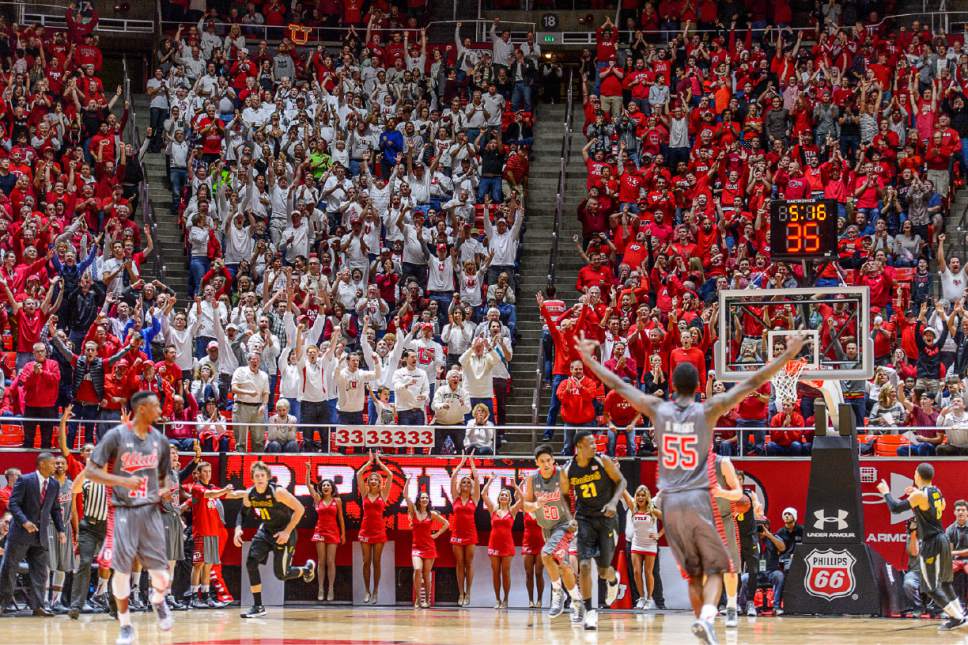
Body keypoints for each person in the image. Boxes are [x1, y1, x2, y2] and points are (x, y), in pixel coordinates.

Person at [575, 330, 805, 642]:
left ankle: (702, 621)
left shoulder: (658, 408)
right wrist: (785, 356)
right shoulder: (706, 410)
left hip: (670, 504)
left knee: (695, 573)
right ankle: (708, 617)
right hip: (698, 500)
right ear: (698, 387)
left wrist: (588, 358)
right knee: (717, 567)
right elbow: (752, 383)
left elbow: (619, 385)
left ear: (672, 386)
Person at [82, 391, 175, 645]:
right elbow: (90, 471)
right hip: (123, 511)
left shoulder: (161, 441)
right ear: (142, 409)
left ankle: (158, 600)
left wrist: (163, 491)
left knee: (161, 575)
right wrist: (122, 480)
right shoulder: (116, 436)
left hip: (150, 511)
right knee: (121, 572)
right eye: (156, 406)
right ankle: (125, 625)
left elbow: (166, 478)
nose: (160, 410)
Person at [879, 463, 968, 630]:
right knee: (945, 582)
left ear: (917, 475)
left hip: (931, 542)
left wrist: (886, 492)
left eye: (914, 474)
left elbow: (896, 508)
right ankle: (960, 616)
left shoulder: (920, 494)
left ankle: (956, 617)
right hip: (942, 539)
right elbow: (942, 506)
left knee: (930, 588)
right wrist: (917, 496)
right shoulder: (936, 491)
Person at [231, 461, 316, 618]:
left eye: (262, 475)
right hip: (265, 531)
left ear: (268, 477)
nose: (260, 478)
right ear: (252, 478)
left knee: (281, 574)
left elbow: (300, 509)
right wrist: (237, 529)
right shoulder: (250, 494)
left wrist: (286, 532)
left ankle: (306, 570)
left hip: (284, 533)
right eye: (257, 476)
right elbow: (242, 513)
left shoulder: (278, 492)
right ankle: (258, 606)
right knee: (251, 562)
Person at [561, 431, 627, 631]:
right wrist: (569, 518)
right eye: (591, 443)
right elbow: (564, 496)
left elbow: (622, 481)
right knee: (585, 566)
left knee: (604, 570)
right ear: (579, 447)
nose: (595, 446)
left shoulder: (603, 461)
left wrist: (614, 502)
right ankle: (590, 611)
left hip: (607, 518)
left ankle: (613, 580)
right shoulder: (568, 470)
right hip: (585, 518)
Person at [523, 444, 584, 623]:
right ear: (537, 463)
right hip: (547, 528)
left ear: (553, 460)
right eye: (542, 461)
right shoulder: (532, 479)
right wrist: (536, 505)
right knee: (563, 567)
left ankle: (557, 593)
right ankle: (577, 601)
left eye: (548, 460)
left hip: (564, 525)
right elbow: (526, 505)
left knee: (546, 554)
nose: (546, 464)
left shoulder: (563, 475)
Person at [0, 452, 65, 616]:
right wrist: (24, 522)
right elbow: (13, 504)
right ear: (42, 464)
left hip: (40, 535)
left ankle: (38, 606)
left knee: (40, 572)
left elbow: (55, 509)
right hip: (20, 534)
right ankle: (2, 604)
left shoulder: (54, 484)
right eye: (52, 463)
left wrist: (61, 530)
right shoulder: (25, 480)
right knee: (9, 568)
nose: (55, 466)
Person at [189, 461, 233, 609]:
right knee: (198, 565)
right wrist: (225, 490)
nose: (208, 474)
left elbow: (230, 494)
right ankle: (194, 597)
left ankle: (206, 596)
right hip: (202, 532)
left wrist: (250, 492)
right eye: (205, 471)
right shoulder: (197, 488)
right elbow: (211, 494)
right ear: (199, 473)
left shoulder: (213, 487)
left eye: (209, 471)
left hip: (213, 533)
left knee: (208, 566)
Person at [404, 474, 449, 608]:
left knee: (426, 573)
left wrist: (436, 534)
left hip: (429, 547)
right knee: (417, 569)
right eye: (422, 497)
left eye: (426, 498)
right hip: (416, 547)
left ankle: (427, 600)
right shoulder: (413, 511)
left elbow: (446, 524)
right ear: (418, 500)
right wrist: (408, 480)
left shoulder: (432, 514)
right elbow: (405, 495)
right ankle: (418, 599)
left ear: (429, 501)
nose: (424, 499)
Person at [712, 457, 746, 627]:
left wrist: (721, 492)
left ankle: (732, 606)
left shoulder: (722, 463)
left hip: (723, 519)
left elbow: (738, 493)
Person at [356, 451, 393, 603]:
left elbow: (390, 475)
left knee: (376, 562)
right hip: (365, 530)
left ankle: (376, 591)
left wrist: (379, 461)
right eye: (370, 479)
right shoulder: (364, 494)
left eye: (375, 479)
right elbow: (359, 474)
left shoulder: (383, 495)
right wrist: (369, 462)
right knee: (366, 562)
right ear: (368, 482)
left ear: (379, 483)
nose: (372, 480)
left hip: (379, 531)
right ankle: (366, 591)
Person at [306, 464, 345, 602]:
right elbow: (308, 485)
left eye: (328, 485)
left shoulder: (337, 500)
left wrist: (343, 534)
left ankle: (331, 589)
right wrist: (308, 470)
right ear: (321, 488)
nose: (326, 487)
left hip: (333, 532)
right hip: (320, 531)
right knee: (321, 561)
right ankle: (321, 588)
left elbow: (340, 518)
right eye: (323, 485)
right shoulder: (318, 499)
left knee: (331, 561)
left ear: (332, 488)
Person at [482, 475, 522, 609]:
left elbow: (522, 499)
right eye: (501, 495)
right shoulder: (493, 509)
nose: (503, 497)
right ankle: (497, 599)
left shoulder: (513, 511)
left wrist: (516, 486)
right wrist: (490, 481)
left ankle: (506, 599)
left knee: (505, 572)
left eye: (506, 495)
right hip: (493, 544)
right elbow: (483, 494)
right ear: (499, 498)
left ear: (509, 498)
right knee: (495, 572)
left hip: (507, 545)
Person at [622, 485, 662, 611]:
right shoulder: (633, 508)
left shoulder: (652, 510)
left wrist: (659, 535)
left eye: (643, 495)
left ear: (647, 497)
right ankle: (642, 597)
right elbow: (623, 490)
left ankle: (650, 599)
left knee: (648, 572)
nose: (640, 497)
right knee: (636, 572)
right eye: (638, 495)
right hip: (636, 543)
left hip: (650, 544)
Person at [449, 456, 480, 607]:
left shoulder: (474, 498)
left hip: (470, 534)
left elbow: (477, 478)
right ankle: (460, 594)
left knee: (469, 563)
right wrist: (462, 463)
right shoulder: (455, 497)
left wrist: (472, 463)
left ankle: (469, 593)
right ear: (460, 486)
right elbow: (453, 477)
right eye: (464, 482)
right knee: (459, 564)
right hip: (457, 534)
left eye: (468, 481)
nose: (466, 483)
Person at [46, 454, 74, 612]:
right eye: (56, 463)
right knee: (49, 565)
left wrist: (75, 530)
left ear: (67, 466)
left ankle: (56, 601)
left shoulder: (71, 485)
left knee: (63, 565)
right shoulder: (48, 483)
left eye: (62, 463)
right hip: (50, 526)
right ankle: (44, 600)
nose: (59, 465)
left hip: (66, 526)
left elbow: (74, 509)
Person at [946, 500, 968, 602]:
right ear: (954, 512)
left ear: (967, 512)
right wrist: (961, 553)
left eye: (963, 510)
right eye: (958, 510)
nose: (960, 512)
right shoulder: (950, 529)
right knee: (943, 574)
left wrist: (956, 553)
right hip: (955, 561)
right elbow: (948, 552)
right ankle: (946, 606)